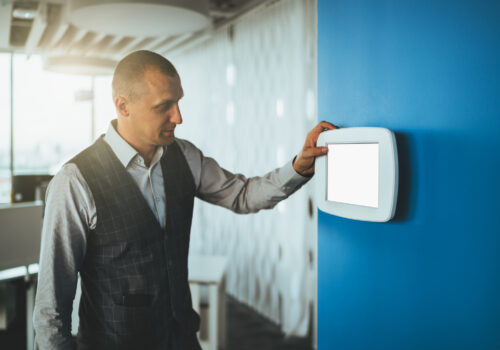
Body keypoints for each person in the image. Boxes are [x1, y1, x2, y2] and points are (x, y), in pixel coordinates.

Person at [33, 50, 336, 350]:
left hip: (181, 338)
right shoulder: (74, 181)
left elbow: (243, 195)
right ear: (123, 106)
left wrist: (297, 168)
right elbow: (51, 307)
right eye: (164, 106)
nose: (178, 117)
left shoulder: (186, 156)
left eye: (178, 102)